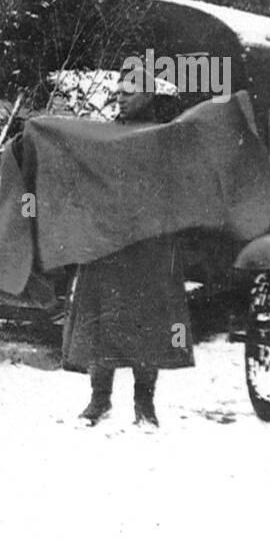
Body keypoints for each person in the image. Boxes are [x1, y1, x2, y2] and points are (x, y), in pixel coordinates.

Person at [65, 76, 192, 427]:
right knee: (101, 319)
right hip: (107, 245)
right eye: (118, 93)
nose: (120, 99)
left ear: (148, 95)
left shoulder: (165, 138)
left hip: (148, 248)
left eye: (129, 93)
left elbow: (177, 189)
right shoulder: (103, 137)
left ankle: (144, 405)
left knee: (148, 325)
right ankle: (99, 400)